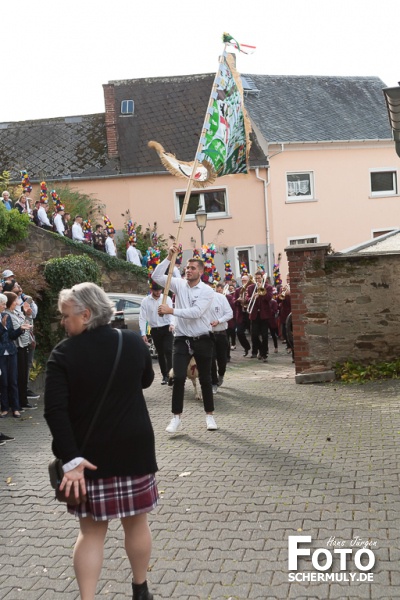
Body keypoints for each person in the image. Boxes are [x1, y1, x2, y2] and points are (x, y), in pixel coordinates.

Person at [44, 282, 157, 600]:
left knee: (91, 534)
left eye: (66, 316)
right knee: (137, 524)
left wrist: (71, 460)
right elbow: (146, 380)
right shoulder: (132, 341)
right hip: (135, 449)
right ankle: (140, 590)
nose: (63, 323)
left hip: (88, 458)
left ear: (86, 314)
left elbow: (55, 412)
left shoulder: (63, 354)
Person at [152, 243, 217, 433]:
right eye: (187, 267)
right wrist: (169, 258)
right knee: (179, 377)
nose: (188, 270)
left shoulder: (207, 291)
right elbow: (156, 277)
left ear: (201, 272)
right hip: (181, 339)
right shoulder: (178, 283)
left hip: (202, 338)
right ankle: (176, 418)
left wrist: (171, 310)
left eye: (193, 268)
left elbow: (196, 312)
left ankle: (209, 416)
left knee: (205, 378)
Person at [0, 292, 31, 418]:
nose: (3, 305)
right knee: (3, 382)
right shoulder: (4, 319)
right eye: (2, 303)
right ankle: (5, 408)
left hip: (12, 352)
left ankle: (16, 408)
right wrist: (2, 326)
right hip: (1, 353)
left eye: (3, 303)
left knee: (13, 380)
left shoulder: (6, 316)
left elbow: (12, 335)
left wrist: (21, 329)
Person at [139, 282, 174, 385]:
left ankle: (171, 374)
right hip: (155, 329)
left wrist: (172, 324)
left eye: (159, 290)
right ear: (152, 290)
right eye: (156, 290)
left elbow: (171, 312)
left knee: (168, 350)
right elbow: (142, 317)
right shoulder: (145, 301)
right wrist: (143, 333)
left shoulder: (166, 298)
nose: (158, 292)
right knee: (161, 353)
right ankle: (165, 375)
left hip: (167, 328)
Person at [209, 283, 233, 392]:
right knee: (210, 358)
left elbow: (229, 314)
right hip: (208, 334)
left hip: (221, 333)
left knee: (222, 359)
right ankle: (213, 382)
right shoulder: (200, 300)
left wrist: (219, 321)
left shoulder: (221, 298)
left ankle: (221, 374)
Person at [246, 271, 273, 362]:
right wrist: (252, 297)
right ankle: (261, 350)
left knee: (265, 336)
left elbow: (269, 298)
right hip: (254, 315)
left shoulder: (268, 287)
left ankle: (264, 354)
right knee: (254, 335)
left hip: (264, 315)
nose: (257, 280)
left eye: (259, 278)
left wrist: (262, 293)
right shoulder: (250, 288)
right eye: (256, 278)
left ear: (262, 278)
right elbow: (247, 299)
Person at [234, 275, 251, 357]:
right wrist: (238, 300)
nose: (244, 282)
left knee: (253, 333)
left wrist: (247, 300)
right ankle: (246, 347)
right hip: (241, 314)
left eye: (245, 280)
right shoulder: (238, 290)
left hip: (250, 313)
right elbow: (234, 301)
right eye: (243, 280)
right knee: (239, 332)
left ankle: (256, 350)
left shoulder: (251, 288)